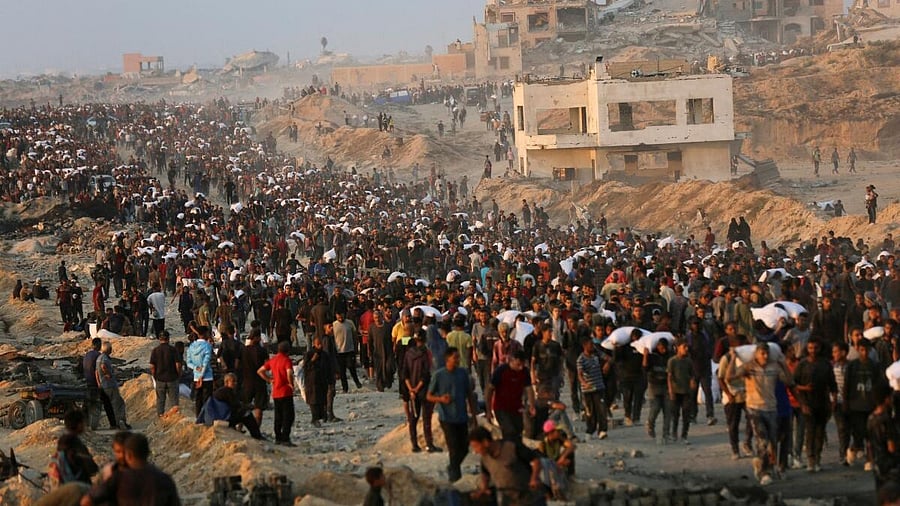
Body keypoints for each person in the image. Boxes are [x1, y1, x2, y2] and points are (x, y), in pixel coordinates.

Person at [726, 343, 795, 486]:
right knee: (762, 440)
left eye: (767, 353)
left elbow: (789, 381)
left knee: (772, 441)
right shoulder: (749, 367)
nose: (765, 356)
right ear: (756, 354)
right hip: (754, 408)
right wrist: (733, 358)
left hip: (771, 408)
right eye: (762, 353)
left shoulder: (774, 367)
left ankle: (764, 465)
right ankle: (765, 472)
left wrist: (783, 364)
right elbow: (729, 377)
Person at [81, 433, 181, 506]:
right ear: (147, 453)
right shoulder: (164, 479)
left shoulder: (118, 478)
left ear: (129, 455)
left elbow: (87, 501)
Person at [427, 347, 478, 482]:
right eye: (455, 357)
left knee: (465, 447)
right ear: (447, 359)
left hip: (461, 416)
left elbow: (470, 395)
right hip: (447, 417)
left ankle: (453, 467)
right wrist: (441, 399)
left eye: (458, 357)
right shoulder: (439, 375)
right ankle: (455, 475)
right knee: (453, 447)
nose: (457, 360)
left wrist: (473, 415)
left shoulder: (463, 374)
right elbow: (429, 396)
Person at [469, 426, 545, 506]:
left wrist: (534, 478)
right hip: (510, 502)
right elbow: (485, 475)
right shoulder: (484, 459)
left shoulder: (511, 447)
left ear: (485, 442)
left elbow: (535, 461)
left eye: (476, 446)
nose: (475, 451)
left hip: (531, 499)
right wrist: (483, 489)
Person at [793, 339, 837, 471]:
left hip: (823, 403)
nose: (813, 351)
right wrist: (802, 400)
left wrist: (833, 402)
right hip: (807, 403)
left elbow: (832, 384)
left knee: (820, 432)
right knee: (810, 432)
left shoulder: (825, 364)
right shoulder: (802, 364)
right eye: (810, 348)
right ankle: (810, 460)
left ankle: (817, 459)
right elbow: (794, 385)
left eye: (815, 348)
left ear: (820, 348)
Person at [401, 329, 440, 452]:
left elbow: (404, 373)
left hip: (411, 390)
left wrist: (411, 389)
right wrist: (417, 388)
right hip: (423, 389)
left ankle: (414, 445)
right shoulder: (425, 353)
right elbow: (426, 374)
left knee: (413, 418)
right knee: (426, 417)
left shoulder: (408, 354)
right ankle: (429, 444)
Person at [485, 350, 535, 441]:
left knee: (519, 430)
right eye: (518, 364)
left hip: (516, 407)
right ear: (512, 360)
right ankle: (508, 451)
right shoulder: (501, 371)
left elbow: (529, 389)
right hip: (501, 408)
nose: (521, 368)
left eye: (523, 364)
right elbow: (489, 390)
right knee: (509, 431)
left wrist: (532, 405)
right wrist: (488, 410)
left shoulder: (525, 372)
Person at [258, 341, 296, 446]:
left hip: (276, 392)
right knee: (288, 416)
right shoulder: (287, 360)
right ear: (287, 351)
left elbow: (260, 371)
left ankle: (278, 437)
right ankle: (285, 438)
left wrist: (269, 379)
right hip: (286, 391)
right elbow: (289, 373)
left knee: (278, 416)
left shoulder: (273, 360)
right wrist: (291, 384)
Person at [867, 384, 900, 492]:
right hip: (890, 464)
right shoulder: (886, 420)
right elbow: (892, 447)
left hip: (877, 463)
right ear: (886, 399)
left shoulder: (871, 418)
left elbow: (869, 444)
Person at [212, 373, 264, 439]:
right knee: (247, 415)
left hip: (218, 417)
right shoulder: (227, 391)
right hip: (223, 419)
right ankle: (257, 436)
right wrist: (252, 407)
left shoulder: (220, 391)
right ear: (226, 382)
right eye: (233, 381)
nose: (235, 383)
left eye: (236, 381)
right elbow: (236, 406)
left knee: (243, 413)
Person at [577, 337, 609, 440]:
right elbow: (580, 374)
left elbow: (609, 358)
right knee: (590, 412)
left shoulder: (596, 354)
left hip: (599, 387)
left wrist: (607, 364)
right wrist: (584, 383)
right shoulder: (581, 359)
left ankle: (602, 430)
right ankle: (590, 430)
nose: (592, 346)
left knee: (602, 410)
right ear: (585, 346)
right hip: (588, 390)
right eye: (590, 345)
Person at [83, 338, 116, 430]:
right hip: (97, 383)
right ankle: (113, 424)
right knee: (107, 402)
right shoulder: (99, 356)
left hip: (88, 382)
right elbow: (98, 371)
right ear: (99, 346)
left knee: (86, 404)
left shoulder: (87, 355)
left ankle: (84, 423)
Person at [96, 341, 129, 430]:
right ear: (108, 349)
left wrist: (99, 382)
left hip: (103, 385)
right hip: (110, 384)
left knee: (109, 405)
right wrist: (108, 374)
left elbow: (96, 372)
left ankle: (113, 424)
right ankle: (120, 421)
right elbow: (103, 366)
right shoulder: (105, 358)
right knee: (118, 404)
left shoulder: (98, 358)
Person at [667, 339, 695, 444]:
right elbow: (669, 377)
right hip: (676, 391)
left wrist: (692, 381)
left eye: (687, 347)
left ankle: (684, 435)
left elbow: (692, 374)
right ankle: (674, 433)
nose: (686, 349)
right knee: (675, 414)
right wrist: (670, 390)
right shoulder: (672, 361)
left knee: (686, 414)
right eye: (684, 347)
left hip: (686, 391)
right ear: (678, 348)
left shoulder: (689, 361)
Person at [241, 328, 269, 427]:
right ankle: (256, 429)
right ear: (258, 338)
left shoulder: (244, 350)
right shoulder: (262, 350)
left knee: (244, 405)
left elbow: (238, 365)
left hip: (246, 381)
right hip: (259, 381)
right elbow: (267, 365)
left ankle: (239, 427)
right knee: (259, 407)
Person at [149, 330, 181, 417]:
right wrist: (178, 375)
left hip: (160, 378)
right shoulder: (173, 350)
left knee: (160, 400)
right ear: (168, 339)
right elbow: (178, 365)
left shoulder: (155, 351)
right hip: (172, 378)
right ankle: (173, 418)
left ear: (159, 339)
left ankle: (161, 417)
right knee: (174, 401)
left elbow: (152, 366)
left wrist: (154, 375)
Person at [304, 335, 334, 427]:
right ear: (314, 344)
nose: (320, 346)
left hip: (322, 380)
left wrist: (330, 380)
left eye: (321, 344)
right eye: (318, 344)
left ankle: (323, 417)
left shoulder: (325, 355)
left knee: (322, 399)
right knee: (313, 400)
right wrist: (312, 360)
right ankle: (314, 418)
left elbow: (328, 367)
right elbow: (305, 367)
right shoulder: (309, 354)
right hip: (311, 381)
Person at [185, 326, 214, 417]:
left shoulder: (192, 346)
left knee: (198, 399)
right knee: (207, 399)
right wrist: (202, 376)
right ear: (205, 334)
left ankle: (198, 417)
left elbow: (188, 362)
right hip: (207, 377)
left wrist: (196, 368)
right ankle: (206, 418)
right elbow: (205, 362)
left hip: (196, 377)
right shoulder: (207, 346)